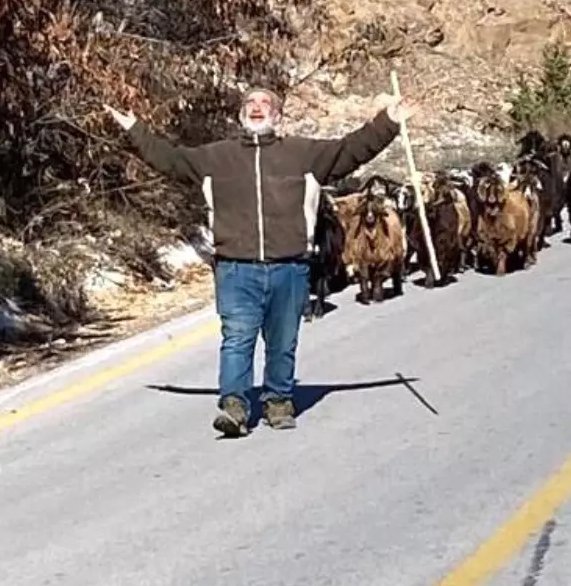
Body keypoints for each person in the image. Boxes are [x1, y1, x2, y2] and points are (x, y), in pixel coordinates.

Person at [106, 87, 417, 437]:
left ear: (278, 116)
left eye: (265, 103)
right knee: (237, 338)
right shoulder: (215, 158)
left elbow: (352, 148)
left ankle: (279, 400)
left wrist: (389, 122)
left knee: (283, 341)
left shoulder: (304, 154)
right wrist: (134, 127)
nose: (257, 108)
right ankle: (234, 405)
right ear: (241, 114)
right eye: (250, 104)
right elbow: (169, 158)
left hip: (291, 267)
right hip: (235, 269)